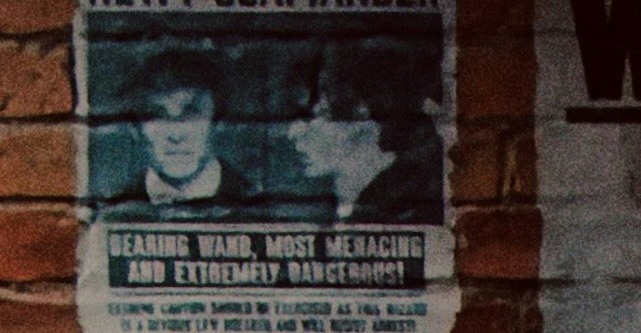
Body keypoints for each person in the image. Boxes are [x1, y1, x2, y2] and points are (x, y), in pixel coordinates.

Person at [279, 39, 441, 227]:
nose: (293, 133)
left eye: (318, 114)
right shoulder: (350, 206)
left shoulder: (410, 209)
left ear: (364, 115)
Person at [100, 50, 243, 216]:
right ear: (135, 130)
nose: (176, 136)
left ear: (218, 123)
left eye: (191, 115)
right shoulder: (110, 216)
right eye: (158, 117)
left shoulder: (263, 212)